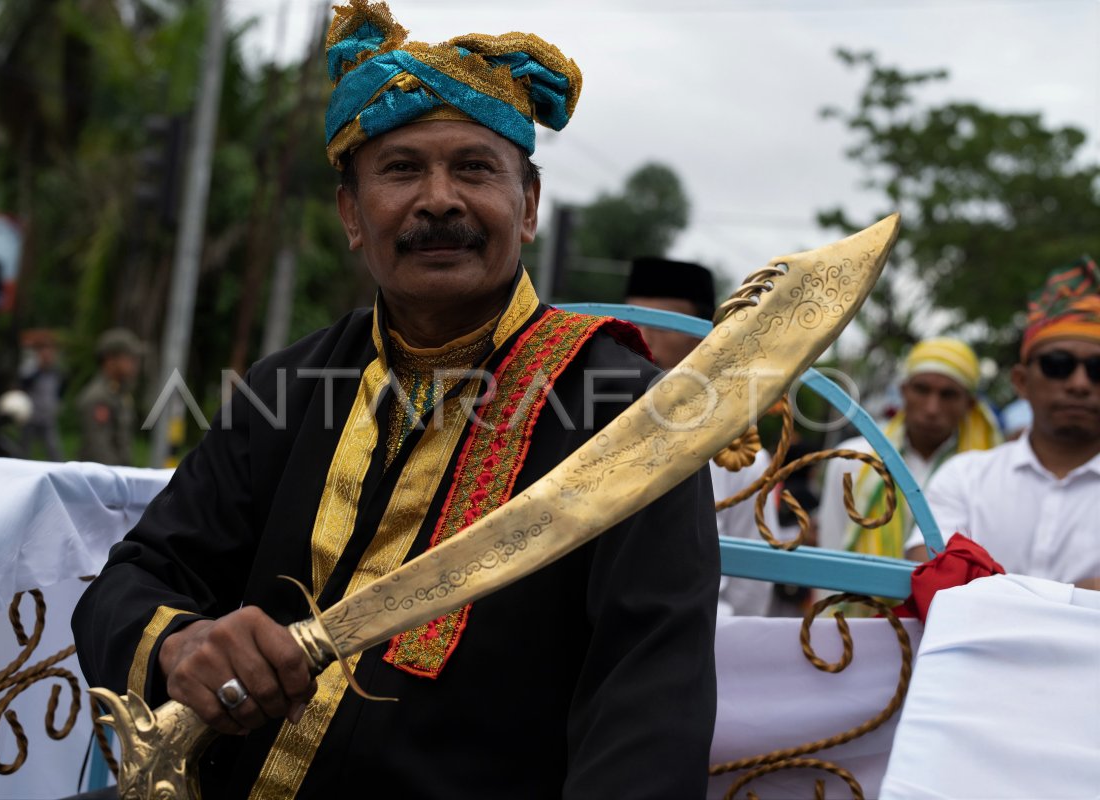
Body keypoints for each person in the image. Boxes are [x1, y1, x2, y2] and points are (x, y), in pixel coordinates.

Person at [72, 3, 719, 798]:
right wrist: (183, 646)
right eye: (402, 169)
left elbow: (648, 709)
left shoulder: (632, 418)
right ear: (352, 213)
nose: (439, 199)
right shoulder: (289, 387)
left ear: (529, 205)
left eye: (476, 168)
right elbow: (132, 580)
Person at [906, 257, 1100, 589]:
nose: (1079, 384)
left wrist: (985, 588)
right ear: (1022, 381)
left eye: (1097, 369)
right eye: (1058, 365)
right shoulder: (965, 477)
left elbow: (956, 589)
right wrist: (1077, 599)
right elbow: (930, 573)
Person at [625, 255, 780, 616]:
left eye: (662, 325)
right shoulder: (582, 420)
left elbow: (752, 583)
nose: (643, 337)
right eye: (633, 320)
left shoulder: (738, 451)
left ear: (702, 337)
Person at [817, 337, 1002, 559]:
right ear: (904, 391)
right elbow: (830, 551)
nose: (932, 408)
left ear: (969, 404)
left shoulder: (989, 473)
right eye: (922, 390)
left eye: (948, 395)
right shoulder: (853, 459)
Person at [76, 328, 142, 465]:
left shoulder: (119, 392)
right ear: (110, 360)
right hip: (101, 480)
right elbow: (100, 451)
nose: (135, 364)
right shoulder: (98, 397)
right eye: (130, 358)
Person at [20, 331, 65, 460]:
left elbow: (60, 391)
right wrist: (39, 369)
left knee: (54, 450)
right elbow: (23, 386)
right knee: (24, 449)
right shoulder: (30, 370)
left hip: (48, 417)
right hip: (31, 416)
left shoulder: (57, 372)